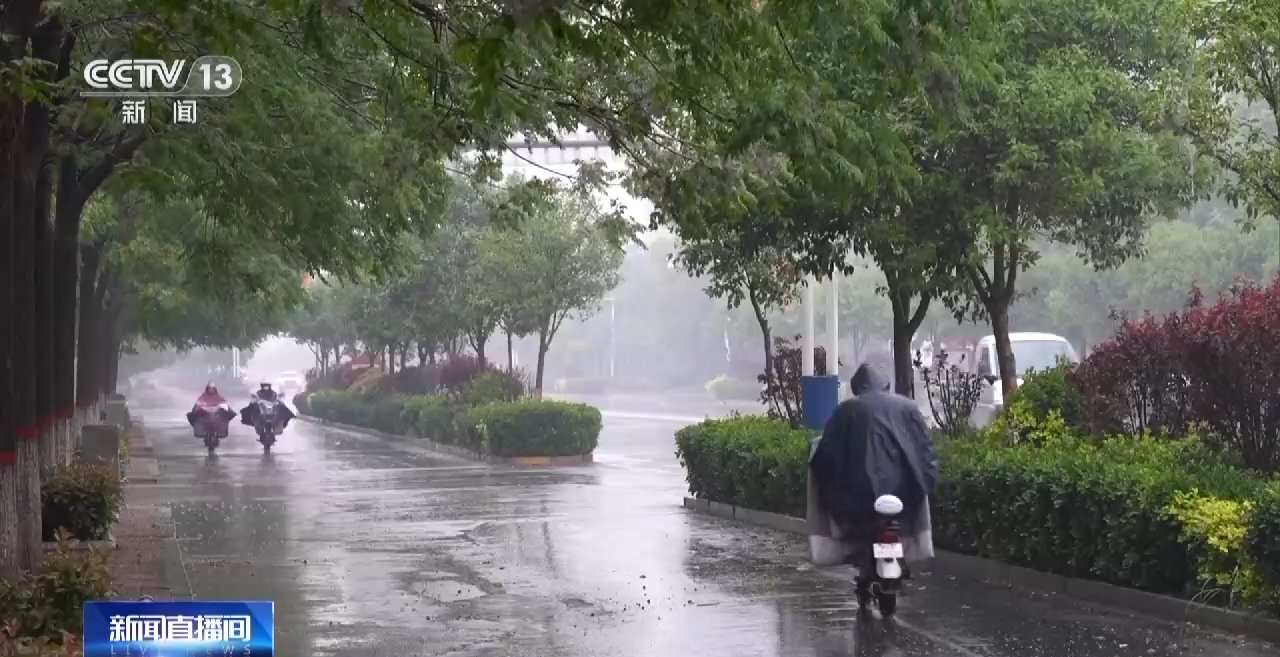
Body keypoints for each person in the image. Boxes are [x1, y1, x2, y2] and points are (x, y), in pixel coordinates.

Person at [809, 363, 938, 594]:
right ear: (886, 384)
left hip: (858, 497)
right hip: (902, 493)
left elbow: (826, 455)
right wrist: (922, 482)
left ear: (857, 387)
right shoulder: (908, 407)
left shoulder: (846, 410)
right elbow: (925, 452)